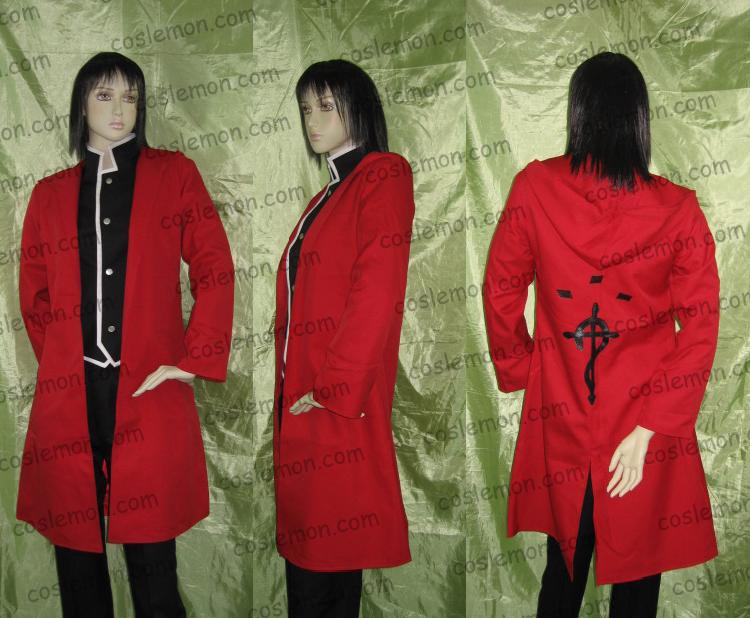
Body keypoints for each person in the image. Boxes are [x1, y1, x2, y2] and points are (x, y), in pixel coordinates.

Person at [482, 52, 720, 617]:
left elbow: (500, 292)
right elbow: (702, 325)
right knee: (638, 581)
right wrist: (651, 425)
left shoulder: (534, 188)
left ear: (579, 113)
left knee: (562, 573)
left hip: (565, 408)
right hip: (645, 421)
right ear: (639, 117)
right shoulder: (678, 209)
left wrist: (523, 369)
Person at [17, 51, 234, 617]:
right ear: (81, 105)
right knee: (77, 565)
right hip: (72, 396)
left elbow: (214, 266)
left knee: (154, 564)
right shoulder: (48, 194)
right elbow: (35, 298)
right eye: (105, 95)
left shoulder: (174, 174)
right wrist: (65, 362)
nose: (120, 108)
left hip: (147, 389)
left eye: (131, 96)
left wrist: (193, 357)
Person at [272, 59, 415, 617]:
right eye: (307, 108)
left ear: (359, 109)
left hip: (336, 403)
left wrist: (333, 389)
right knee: (316, 568)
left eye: (327, 106)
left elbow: (378, 290)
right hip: (305, 402)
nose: (313, 120)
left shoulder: (382, 175)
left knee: (323, 570)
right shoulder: (326, 196)